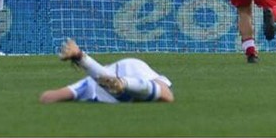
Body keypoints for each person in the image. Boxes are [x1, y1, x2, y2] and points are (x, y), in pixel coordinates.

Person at [39, 38, 174, 104]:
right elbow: (48, 97)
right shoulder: (88, 85)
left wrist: (81, 58)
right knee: (163, 95)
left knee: (165, 95)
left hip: (125, 73)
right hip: (113, 83)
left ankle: (123, 83)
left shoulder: (88, 84)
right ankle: (122, 83)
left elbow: (47, 97)